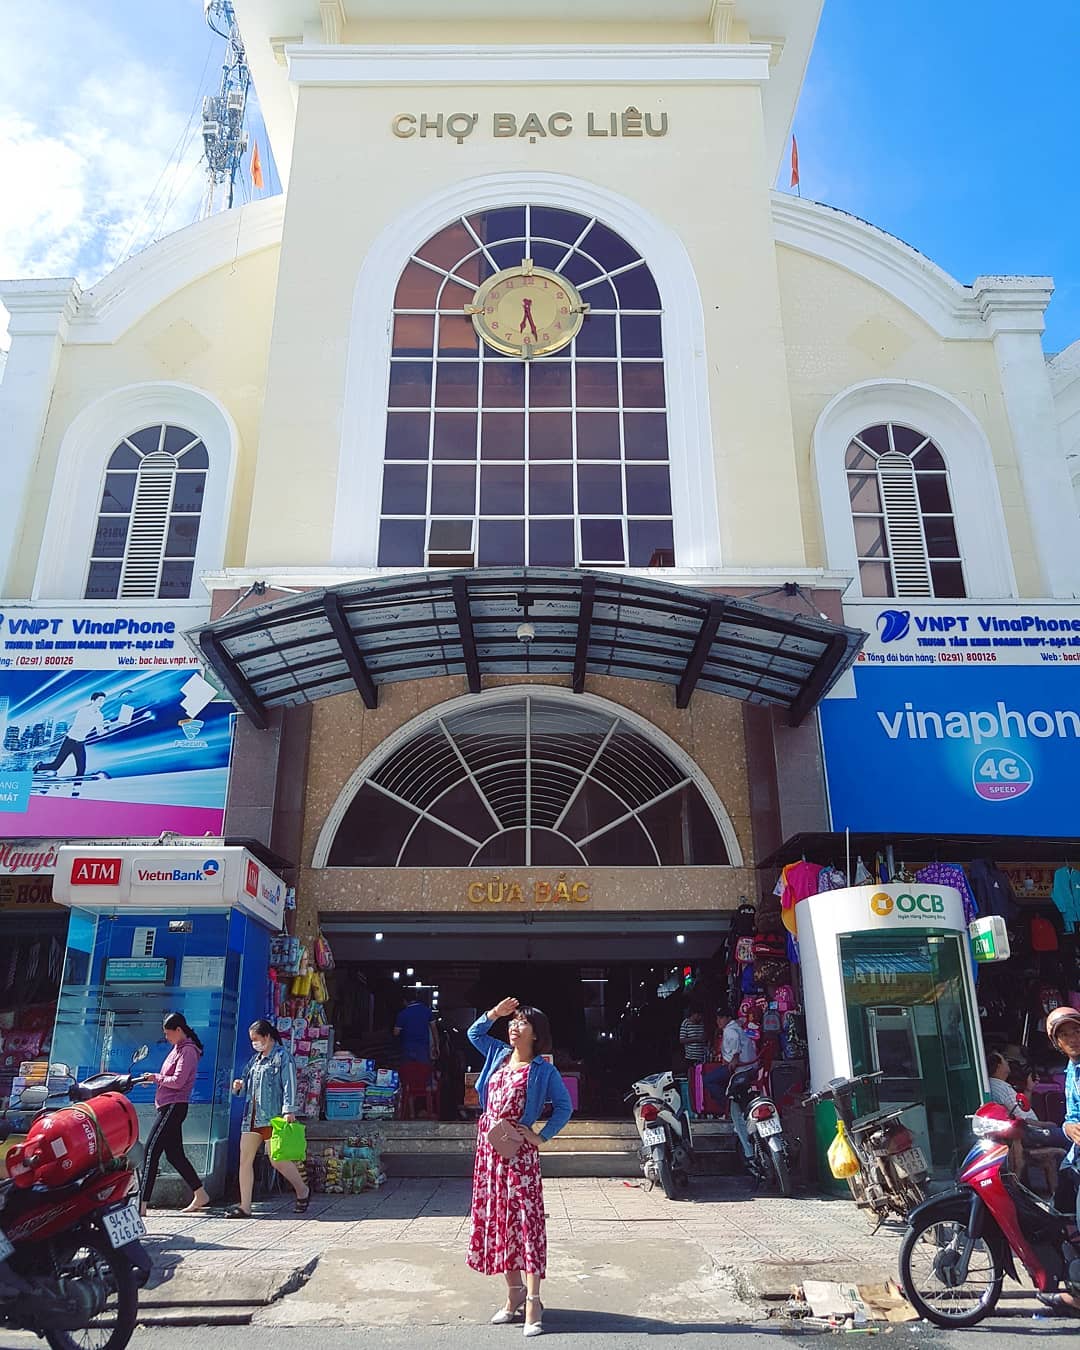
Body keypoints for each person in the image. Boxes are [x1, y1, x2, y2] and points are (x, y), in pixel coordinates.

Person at [467, 996, 573, 1338]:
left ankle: (533, 1301)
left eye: (521, 1022)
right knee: (499, 1221)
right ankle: (512, 1295)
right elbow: (474, 1033)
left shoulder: (543, 1069)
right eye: (512, 1022)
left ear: (536, 1034)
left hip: (520, 1155)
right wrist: (494, 1013)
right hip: (489, 1151)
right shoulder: (497, 1054)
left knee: (525, 1222)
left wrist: (541, 1137)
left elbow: (563, 1107)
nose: (514, 1026)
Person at [228, 1019, 310, 1218]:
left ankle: (302, 1190)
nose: (254, 1043)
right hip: (251, 1117)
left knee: (277, 1160)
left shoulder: (282, 1057)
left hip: (273, 1117)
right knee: (245, 1160)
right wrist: (238, 1087)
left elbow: (289, 1083)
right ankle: (245, 1206)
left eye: (256, 1039)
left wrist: (288, 1110)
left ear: (267, 1036)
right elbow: (246, 1083)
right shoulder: (255, 1061)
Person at [137, 1013, 210, 1216]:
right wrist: (154, 1079)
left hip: (173, 1106)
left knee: (151, 1150)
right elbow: (168, 1077)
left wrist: (155, 1078)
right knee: (175, 1155)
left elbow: (177, 1082)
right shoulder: (177, 1049)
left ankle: (141, 1204)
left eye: (168, 1033)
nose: (167, 1037)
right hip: (168, 1105)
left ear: (179, 1030)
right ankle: (200, 1193)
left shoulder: (187, 1052)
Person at [1038, 1006, 1080, 1316]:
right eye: (1064, 1034)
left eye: (1076, 1030)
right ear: (1057, 1042)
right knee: (1058, 1218)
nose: (1072, 1038)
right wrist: (1066, 1127)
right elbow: (1070, 1118)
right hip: (1074, 1159)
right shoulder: (1070, 1069)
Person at [33, 692, 108, 778]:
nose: (101, 703)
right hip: (70, 741)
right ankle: (39, 766)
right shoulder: (83, 711)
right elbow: (79, 726)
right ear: (92, 701)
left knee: (81, 769)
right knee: (56, 766)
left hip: (80, 743)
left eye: (103, 701)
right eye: (99, 701)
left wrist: (106, 728)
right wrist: (96, 723)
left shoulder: (100, 716)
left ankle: (76, 790)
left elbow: (99, 732)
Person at [702, 1009, 740, 1113]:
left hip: (738, 1067)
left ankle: (727, 1107)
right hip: (735, 1066)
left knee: (707, 1080)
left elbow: (735, 1041)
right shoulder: (732, 1028)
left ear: (729, 1018)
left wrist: (735, 1058)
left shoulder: (730, 1030)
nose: (718, 1021)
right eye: (717, 1018)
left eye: (722, 1018)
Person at [986, 1051, 1037, 1118]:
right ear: (999, 1066)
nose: (1007, 1062)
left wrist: (1029, 1089)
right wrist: (1045, 1124)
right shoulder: (1003, 1088)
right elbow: (1023, 1119)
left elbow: (1023, 1108)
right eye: (1004, 1060)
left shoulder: (993, 1084)